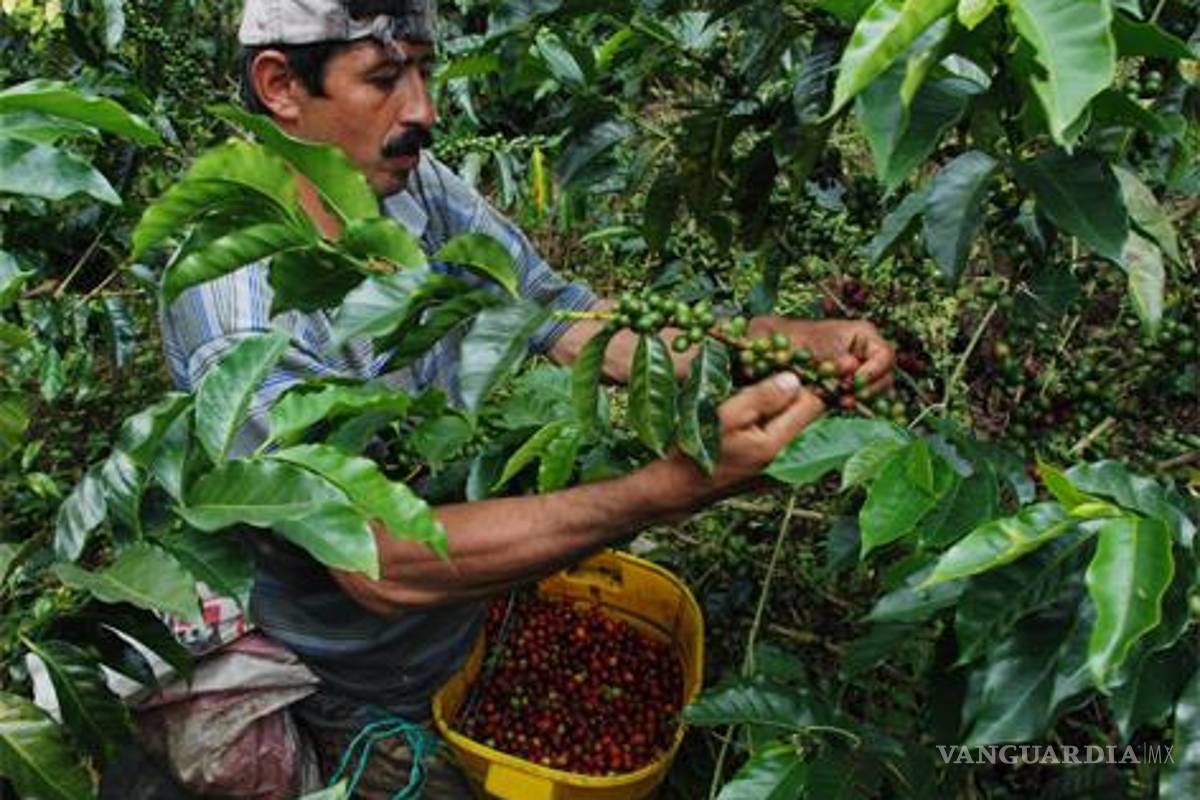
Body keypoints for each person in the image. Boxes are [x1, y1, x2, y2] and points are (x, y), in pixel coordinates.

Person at [159, 1, 896, 796]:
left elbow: (558, 313)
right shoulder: (236, 311)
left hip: (470, 603)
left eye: (424, 70)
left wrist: (763, 342)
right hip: (360, 680)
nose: (424, 111)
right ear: (280, 86)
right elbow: (379, 561)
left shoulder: (407, 188)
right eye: (383, 78)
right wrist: (668, 490)